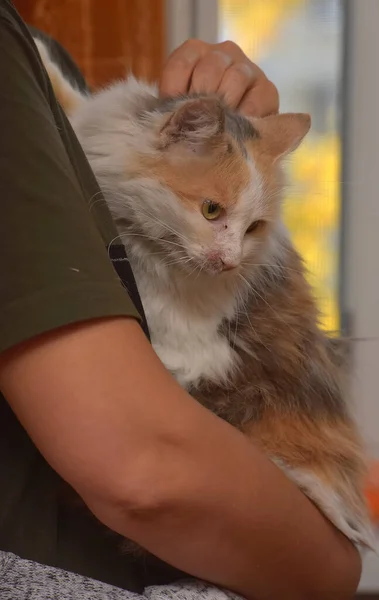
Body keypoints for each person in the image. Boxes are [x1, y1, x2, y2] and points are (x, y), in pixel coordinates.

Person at [0, 1, 361, 599]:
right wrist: (334, 571)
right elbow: (143, 472)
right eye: (215, 213)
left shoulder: (37, 61)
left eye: (251, 230)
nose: (230, 255)